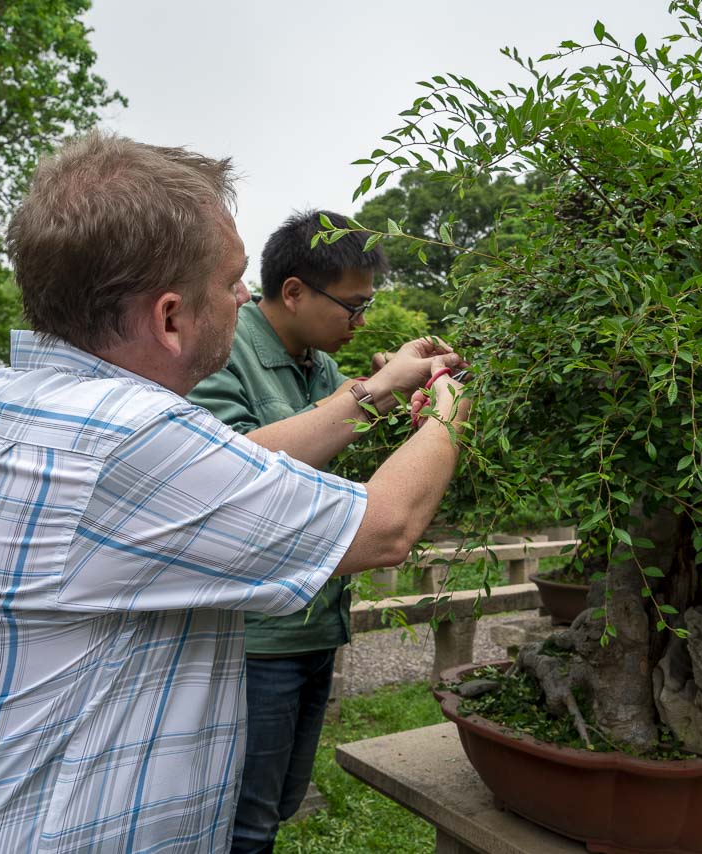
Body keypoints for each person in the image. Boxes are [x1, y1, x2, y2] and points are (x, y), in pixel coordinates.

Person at [0, 131, 471, 854]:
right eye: (233, 279)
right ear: (171, 316)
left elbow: (236, 464)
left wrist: (377, 393)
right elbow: (385, 527)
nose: (245, 295)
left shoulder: (38, 398)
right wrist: (451, 406)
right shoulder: (125, 437)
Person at [189, 209, 437, 853]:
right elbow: (230, 472)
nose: (361, 322)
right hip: (253, 637)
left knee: (281, 802)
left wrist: (389, 392)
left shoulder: (320, 364)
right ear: (294, 291)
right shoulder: (224, 351)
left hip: (313, 620)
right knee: (243, 818)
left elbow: (328, 453)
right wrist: (376, 389)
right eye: (351, 307)